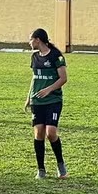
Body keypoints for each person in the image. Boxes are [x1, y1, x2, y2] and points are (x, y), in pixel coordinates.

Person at [25, 28, 69, 179]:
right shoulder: (35, 57)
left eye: (30, 39)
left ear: (38, 40)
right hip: (37, 100)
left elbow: (63, 78)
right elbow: (34, 78)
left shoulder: (57, 56)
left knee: (51, 133)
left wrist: (48, 90)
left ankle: (61, 165)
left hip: (53, 100)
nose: (29, 42)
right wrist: (29, 97)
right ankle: (41, 169)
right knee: (39, 133)